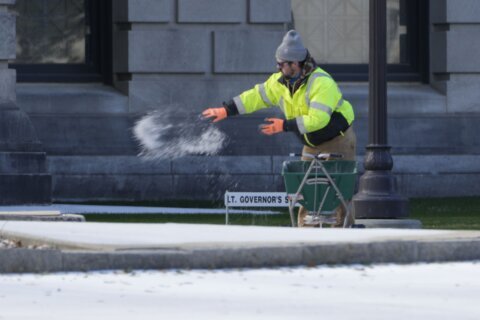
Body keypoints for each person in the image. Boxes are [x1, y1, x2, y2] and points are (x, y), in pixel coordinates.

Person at [202, 30, 356, 227]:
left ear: (295, 63)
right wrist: (226, 110)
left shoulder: (321, 83)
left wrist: (284, 125)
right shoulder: (279, 82)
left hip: (339, 139)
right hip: (311, 141)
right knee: (307, 189)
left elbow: (318, 120)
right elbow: (255, 96)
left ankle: (347, 230)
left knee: (340, 188)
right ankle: (305, 231)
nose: (278, 67)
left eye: (282, 63)